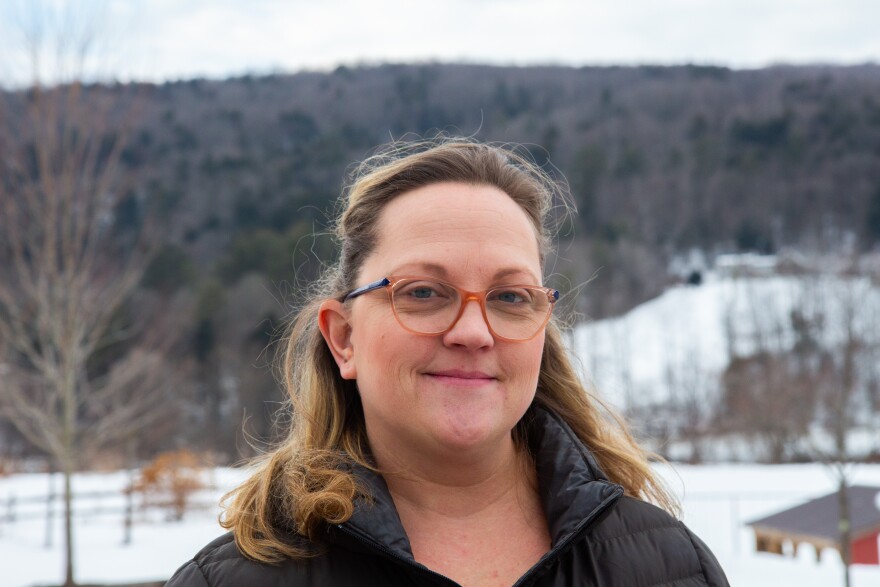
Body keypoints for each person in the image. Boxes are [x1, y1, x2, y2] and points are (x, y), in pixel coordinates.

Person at [166, 138, 729, 586]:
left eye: (510, 297)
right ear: (344, 339)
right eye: (423, 292)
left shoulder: (670, 569)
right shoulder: (233, 581)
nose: (472, 332)